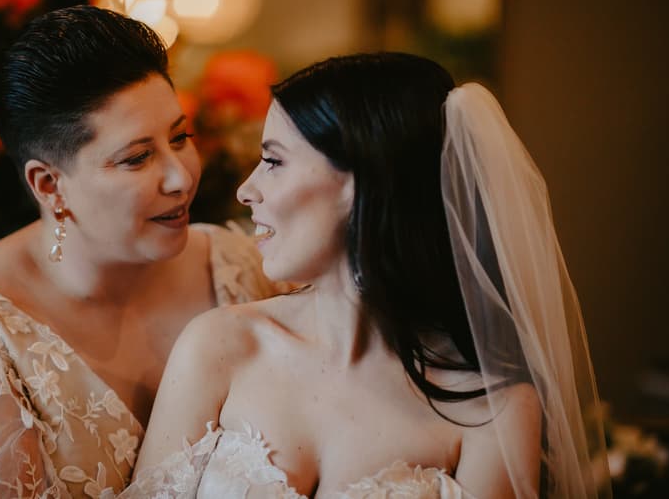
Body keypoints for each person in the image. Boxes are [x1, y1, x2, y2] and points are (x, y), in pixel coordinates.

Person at [125, 53, 610, 498]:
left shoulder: (493, 409)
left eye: (273, 161)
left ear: (363, 181)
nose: (246, 190)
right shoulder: (221, 345)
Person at [0, 6, 288, 498]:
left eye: (181, 138)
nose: (181, 177)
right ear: (49, 185)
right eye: (137, 158)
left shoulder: (244, 270)